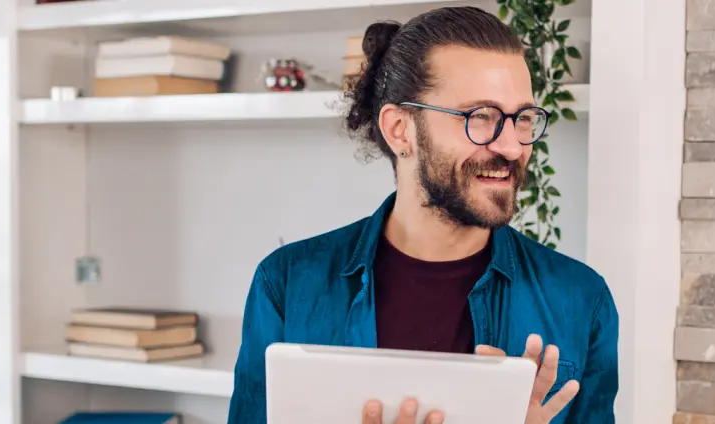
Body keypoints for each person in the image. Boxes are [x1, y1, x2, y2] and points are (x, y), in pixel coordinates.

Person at [224, 6, 618, 424]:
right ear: (400, 130)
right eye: (479, 117)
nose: (512, 147)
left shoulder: (581, 299)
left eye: (521, 118)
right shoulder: (287, 284)